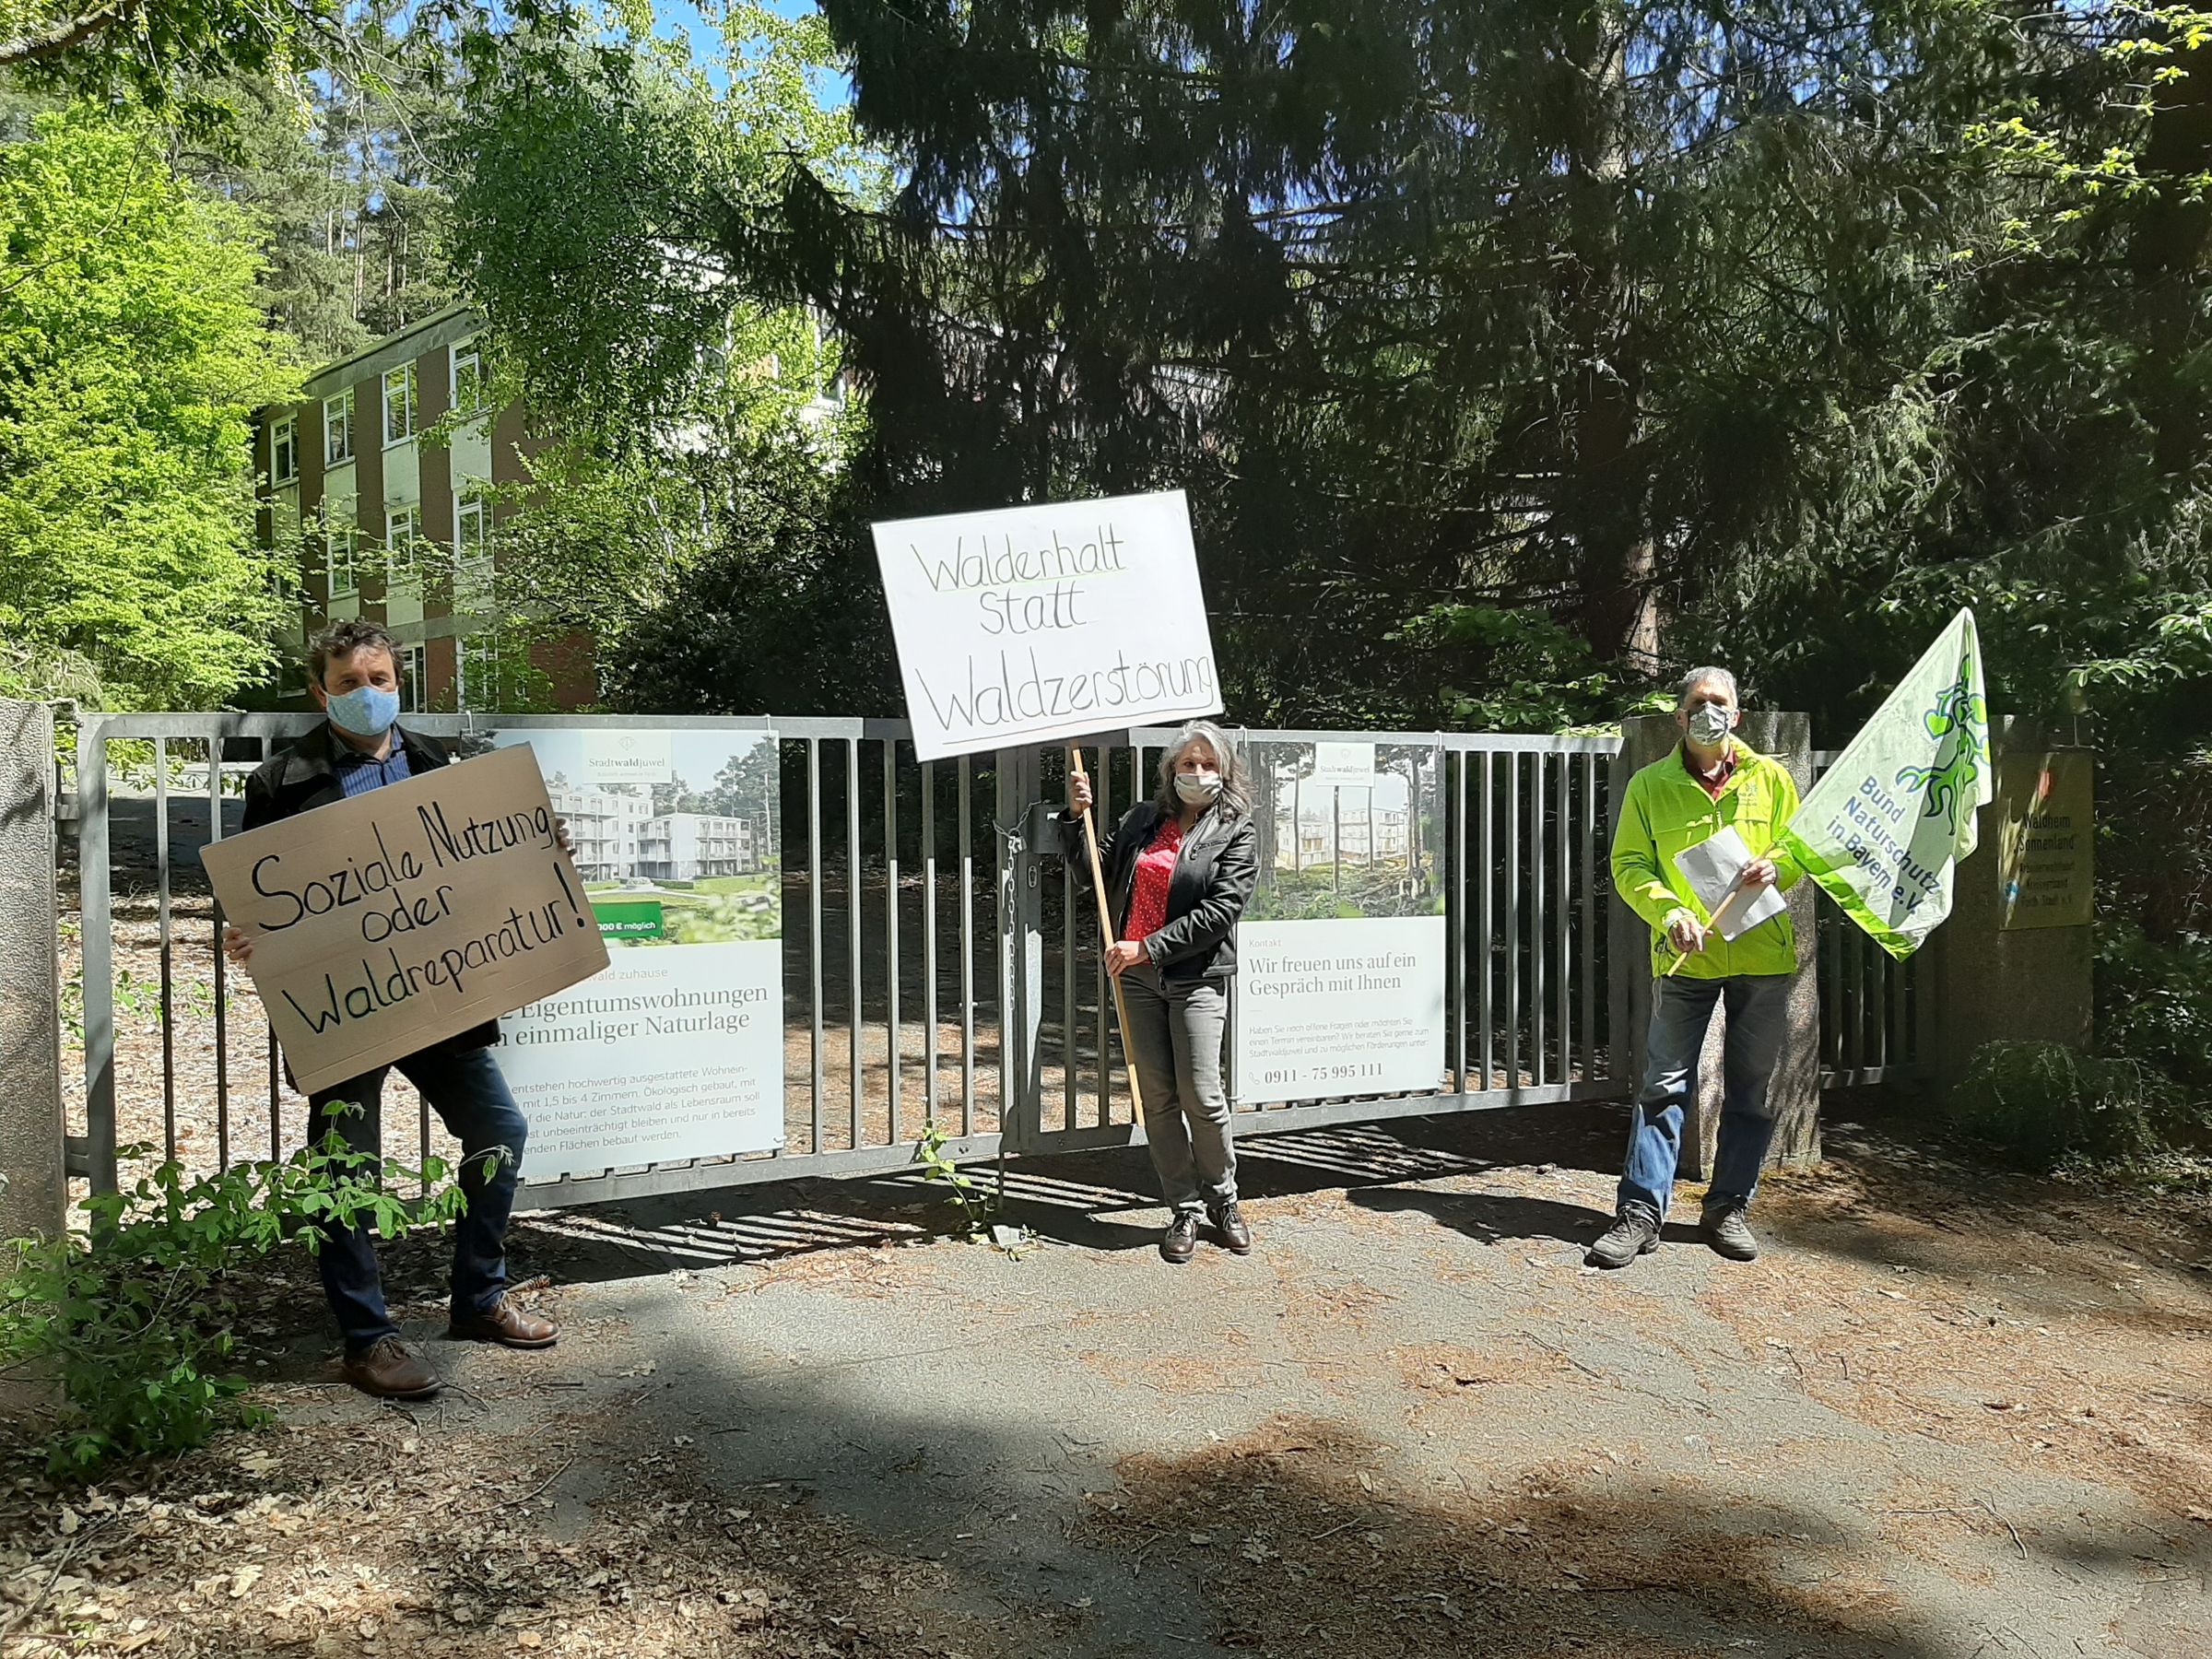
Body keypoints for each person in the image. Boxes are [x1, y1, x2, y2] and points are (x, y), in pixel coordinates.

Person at [226, 619, 560, 1398]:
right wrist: (248, 935)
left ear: (399, 684)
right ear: (321, 694)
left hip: (439, 990)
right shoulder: (279, 782)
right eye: (348, 683)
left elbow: (482, 870)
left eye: (379, 680)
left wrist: (541, 856)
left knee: (499, 1130)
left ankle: (479, 1300)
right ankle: (366, 1340)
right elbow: (258, 896)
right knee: (346, 1165)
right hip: (345, 1004)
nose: (367, 694)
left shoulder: (440, 766)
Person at [1588, 667, 1804, 1270]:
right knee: (1663, 1086)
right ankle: (1639, 1215)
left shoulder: (1772, 779)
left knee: (1751, 1089)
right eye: (1699, 702)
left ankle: (1728, 1207)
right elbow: (1630, 865)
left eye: (1720, 703)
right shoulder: (1650, 785)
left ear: (1737, 715)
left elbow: (1799, 850)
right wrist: (1670, 912)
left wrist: (1779, 868)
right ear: (1681, 716)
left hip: (1762, 954)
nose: (1710, 711)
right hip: (1686, 955)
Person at [1063, 721, 1259, 1264]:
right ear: (1171, 770)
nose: (1198, 772)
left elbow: (1221, 911)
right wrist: (1076, 817)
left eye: (1208, 764)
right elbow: (1091, 874)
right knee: (1158, 1099)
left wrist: (1147, 946)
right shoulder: (1141, 820)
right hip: (1137, 980)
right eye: (1188, 764)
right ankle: (1185, 1208)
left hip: (1196, 977)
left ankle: (1224, 1200)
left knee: (1202, 1094)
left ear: (1225, 771)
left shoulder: (1235, 829)